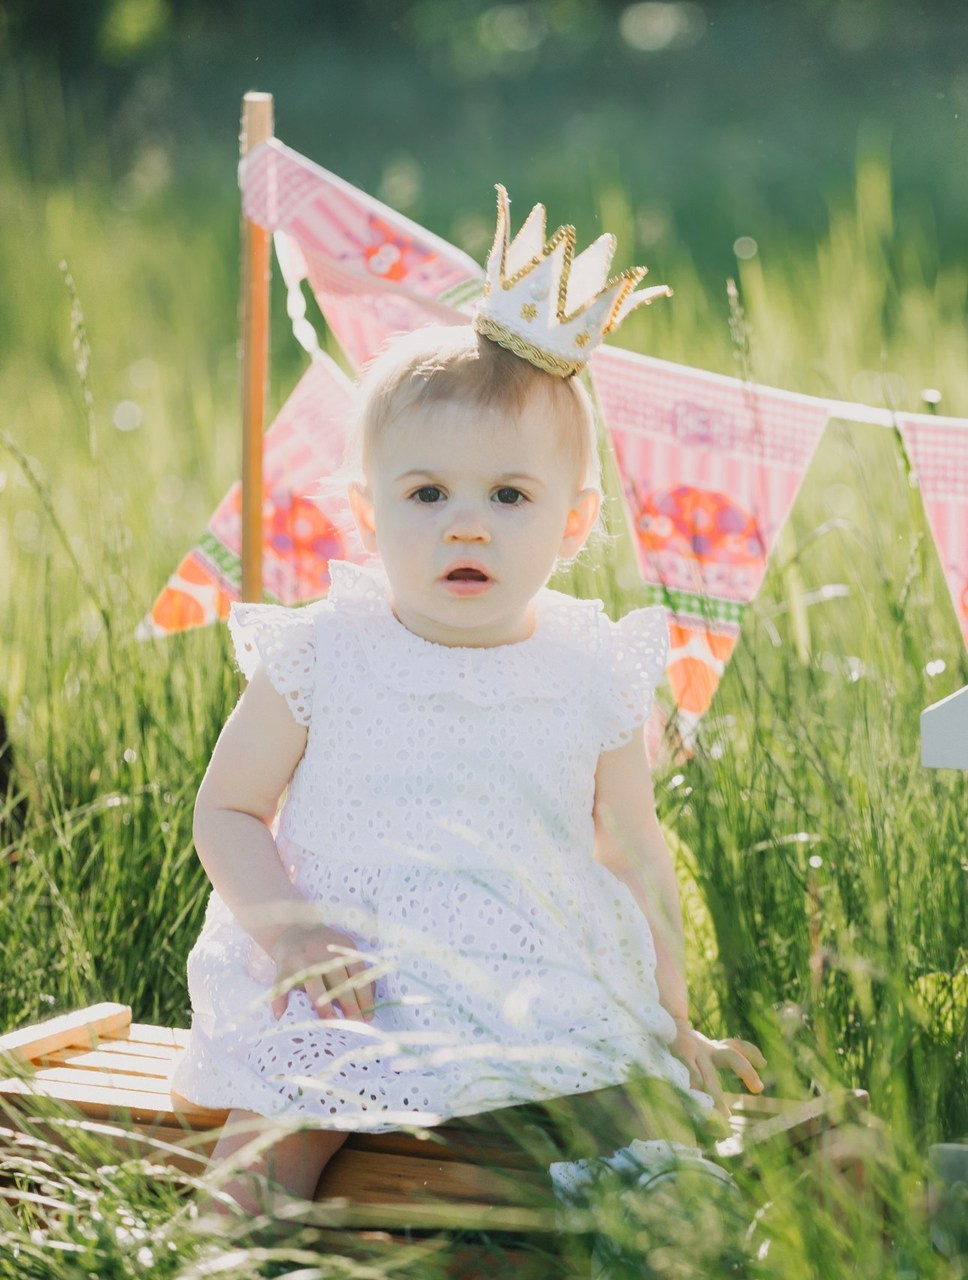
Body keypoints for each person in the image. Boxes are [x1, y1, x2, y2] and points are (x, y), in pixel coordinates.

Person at [169, 186, 766, 1215]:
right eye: (427, 493)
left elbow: (633, 848)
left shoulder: (590, 667)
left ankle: (648, 1210)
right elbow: (226, 808)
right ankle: (222, 1245)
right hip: (352, 973)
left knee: (627, 1096)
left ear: (572, 522)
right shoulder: (325, 651)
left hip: (530, 974)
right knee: (286, 1118)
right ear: (367, 513)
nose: (467, 526)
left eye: (509, 495)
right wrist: (292, 932)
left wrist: (673, 1017)